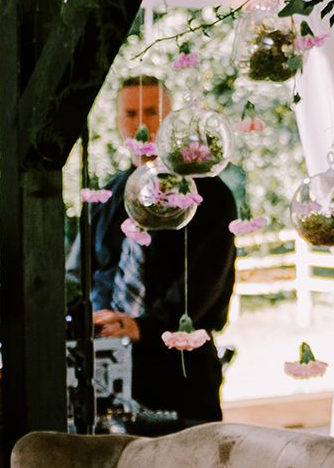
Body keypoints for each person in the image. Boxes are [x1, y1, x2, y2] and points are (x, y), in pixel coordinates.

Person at [86, 75, 238, 427]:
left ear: (170, 119)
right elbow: (85, 273)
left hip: (181, 367)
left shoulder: (209, 196)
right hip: (110, 372)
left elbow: (203, 282)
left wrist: (143, 327)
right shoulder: (107, 197)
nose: (141, 124)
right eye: (131, 113)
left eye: (152, 112)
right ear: (118, 122)